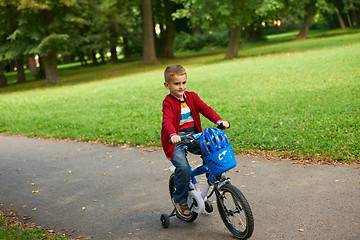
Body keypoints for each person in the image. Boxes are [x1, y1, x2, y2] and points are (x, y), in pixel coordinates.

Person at [161, 65, 229, 218]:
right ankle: (180, 200)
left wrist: (218, 120)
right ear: (167, 85)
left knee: (211, 151)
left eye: (184, 82)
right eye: (176, 84)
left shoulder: (192, 96)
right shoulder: (168, 102)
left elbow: (205, 109)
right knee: (183, 168)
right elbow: (167, 121)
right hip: (176, 141)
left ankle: (214, 180)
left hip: (194, 137)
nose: (181, 86)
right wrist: (173, 134)